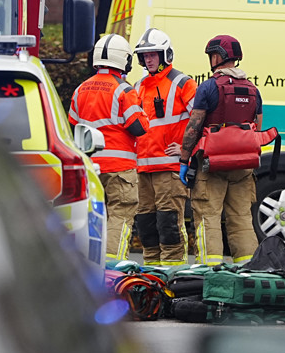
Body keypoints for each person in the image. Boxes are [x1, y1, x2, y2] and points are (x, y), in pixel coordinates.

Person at [179, 34, 264, 266]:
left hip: (211, 164)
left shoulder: (208, 87)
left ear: (217, 56)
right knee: (242, 218)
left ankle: (210, 270)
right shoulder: (253, 90)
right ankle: (248, 269)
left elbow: (193, 127)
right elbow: (258, 127)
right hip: (243, 166)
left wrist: (184, 160)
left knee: (208, 217)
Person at [68, 33, 148, 261]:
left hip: (89, 167)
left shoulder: (80, 89)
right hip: (119, 169)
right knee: (120, 216)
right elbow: (138, 127)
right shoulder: (124, 90)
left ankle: (87, 263)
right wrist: (144, 115)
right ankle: (113, 265)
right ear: (124, 60)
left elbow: (72, 125)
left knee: (90, 217)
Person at [132, 28, 197, 267]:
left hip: (169, 169)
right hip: (143, 170)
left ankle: (173, 275)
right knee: (147, 228)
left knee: (169, 226)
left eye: (153, 54)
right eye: (145, 55)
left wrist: (185, 149)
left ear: (165, 55)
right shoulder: (138, 86)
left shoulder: (183, 83)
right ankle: (151, 275)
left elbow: (201, 121)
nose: (148, 59)